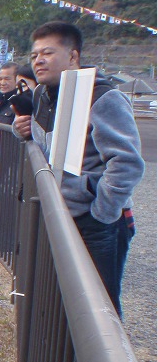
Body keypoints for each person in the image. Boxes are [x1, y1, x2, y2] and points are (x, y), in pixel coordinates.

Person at [13, 21, 144, 316]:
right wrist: (20, 129)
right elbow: (44, 141)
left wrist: (100, 214)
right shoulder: (43, 95)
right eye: (34, 55)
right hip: (60, 215)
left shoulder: (102, 96)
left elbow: (127, 163)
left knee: (99, 310)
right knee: (61, 302)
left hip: (95, 222)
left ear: (73, 56)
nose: (38, 60)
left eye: (48, 53)